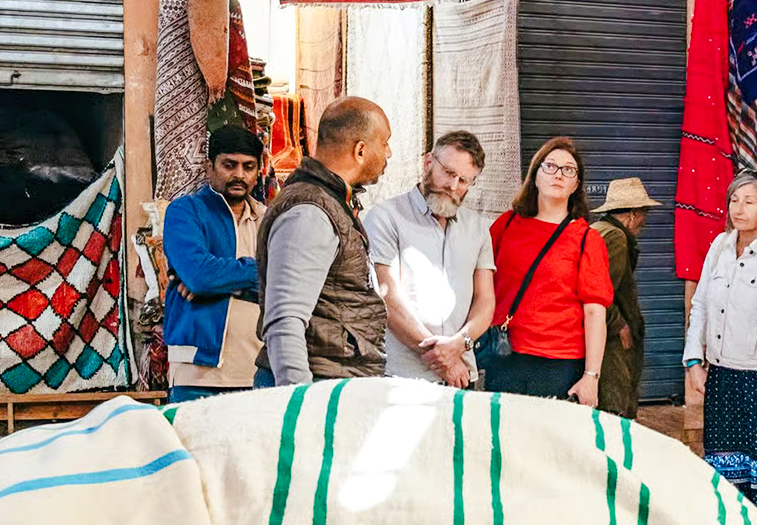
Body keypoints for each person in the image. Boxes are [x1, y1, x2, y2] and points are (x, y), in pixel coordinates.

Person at [255, 97, 393, 386]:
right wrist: (302, 403)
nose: (388, 153)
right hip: (318, 386)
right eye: (385, 143)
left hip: (335, 381)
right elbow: (285, 320)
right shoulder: (310, 213)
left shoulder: (329, 203)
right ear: (360, 150)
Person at [685, 170, 757, 525]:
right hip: (721, 376)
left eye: (749, 201)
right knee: (724, 471)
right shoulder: (720, 245)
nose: (738, 208)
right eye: (734, 199)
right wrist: (693, 360)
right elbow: (700, 303)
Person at [482, 137, 612, 405]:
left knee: (549, 445)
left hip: (560, 364)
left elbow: (594, 311)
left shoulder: (586, 238)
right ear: (535, 176)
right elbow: (480, 286)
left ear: (576, 184)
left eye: (569, 169)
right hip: (506, 356)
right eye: (550, 166)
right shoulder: (506, 225)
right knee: (503, 439)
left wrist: (591, 376)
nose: (559, 174)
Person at [362, 131, 496, 387]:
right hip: (401, 375)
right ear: (428, 162)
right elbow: (387, 299)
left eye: (465, 180)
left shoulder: (477, 228)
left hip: (462, 375)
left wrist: (459, 344)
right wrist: (441, 358)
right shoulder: (386, 217)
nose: (454, 186)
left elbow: (485, 300)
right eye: (448, 172)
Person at [161, 125, 267, 404]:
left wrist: (223, 283)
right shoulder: (185, 212)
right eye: (229, 165)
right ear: (210, 167)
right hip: (198, 374)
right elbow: (199, 276)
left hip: (260, 371)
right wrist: (257, 272)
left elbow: (288, 284)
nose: (239, 175)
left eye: (248, 166)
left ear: (259, 171)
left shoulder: (270, 219)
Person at [590, 177, 662, 419]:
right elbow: (600, 292)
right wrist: (620, 325)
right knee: (616, 407)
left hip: (599, 333)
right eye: (643, 213)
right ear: (633, 214)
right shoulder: (616, 238)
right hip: (610, 340)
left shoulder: (598, 229)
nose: (644, 221)